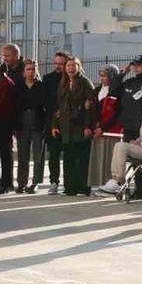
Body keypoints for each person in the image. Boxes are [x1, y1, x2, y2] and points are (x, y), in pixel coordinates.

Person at [53, 56, 95, 196]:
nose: (71, 68)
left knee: (81, 159)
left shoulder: (85, 83)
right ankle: (69, 188)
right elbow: (58, 107)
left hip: (80, 125)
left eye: (73, 65)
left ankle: (83, 187)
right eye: (68, 65)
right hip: (66, 126)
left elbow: (91, 107)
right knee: (68, 158)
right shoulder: (62, 83)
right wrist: (55, 125)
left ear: (78, 67)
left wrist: (88, 126)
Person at [101, 109, 142, 194]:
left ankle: (119, 181)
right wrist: (137, 141)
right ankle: (115, 178)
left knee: (122, 147)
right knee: (118, 145)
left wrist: (141, 142)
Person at [15, 59, 47, 194]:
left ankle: (35, 182)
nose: (31, 72)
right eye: (28, 69)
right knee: (23, 155)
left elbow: (45, 105)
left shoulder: (40, 86)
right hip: (22, 123)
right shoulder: (19, 86)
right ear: (24, 71)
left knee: (38, 154)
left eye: (33, 69)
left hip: (38, 122)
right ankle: (21, 182)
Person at [42, 51, 68, 194]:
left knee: (68, 154)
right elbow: (44, 101)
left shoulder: (71, 79)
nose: (58, 66)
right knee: (53, 155)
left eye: (61, 64)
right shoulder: (48, 79)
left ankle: (68, 182)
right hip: (51, 122)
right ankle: (53, 182)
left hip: (68, 122)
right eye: (56, 63)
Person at [119, 55, 142, 142]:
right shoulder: (129, 82)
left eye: (139, 65)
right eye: (134, 65)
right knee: (126, 153)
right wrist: (122, 74)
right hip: (128, 126)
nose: (136, 67)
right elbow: (113, 90)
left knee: (139, 154)